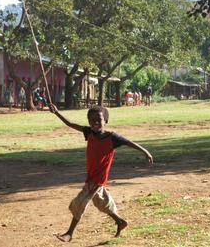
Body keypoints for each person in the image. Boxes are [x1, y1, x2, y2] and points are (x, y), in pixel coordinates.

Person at [49, 104, 153, 242]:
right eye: (91, 120)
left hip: (97, 178)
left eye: (98, 119)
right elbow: (70, 124)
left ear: (106, 121)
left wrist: (146, 152)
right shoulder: (88, 132)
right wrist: (56, 112)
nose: (94, 123)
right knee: (101, 202)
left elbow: (129, 143)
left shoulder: (112, 137)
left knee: (80, 202)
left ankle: (69, 233)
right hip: (91, 175)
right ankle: (120, 221)